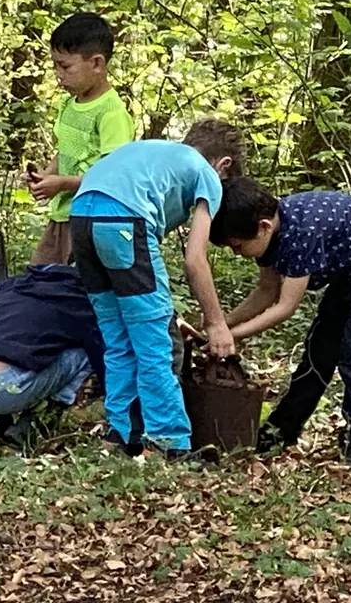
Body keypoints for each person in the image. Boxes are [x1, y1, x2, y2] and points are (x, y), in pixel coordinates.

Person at [69, 119, 246, 459]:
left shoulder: (156, 153)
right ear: (224, 165)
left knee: (118, 337)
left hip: (81, 218)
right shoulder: (207, 173)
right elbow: (195, 259)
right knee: (156, 343)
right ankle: (169, 444)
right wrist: (216, 323)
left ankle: (121, 435)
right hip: (123, 221)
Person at [209, 177, 351, 466]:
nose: (236, 252)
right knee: (318, 353)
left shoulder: (302, 234)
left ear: (263, 227)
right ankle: (280, 432)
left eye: (238, 246)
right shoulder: (269, 232)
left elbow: (285, 307)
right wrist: (222, 325)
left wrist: (233, 336)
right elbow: (267, 291)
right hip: (347, 272)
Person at [0, 264, 105, 445]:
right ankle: (33, 425)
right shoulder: (83, 300)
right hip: (7, 388)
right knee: (85, 354)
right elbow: (100, 357)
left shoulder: (20, 283)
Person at [26, 13, 136, 266]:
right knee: (39, 279)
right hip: (62, 217)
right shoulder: (68, 104)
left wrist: (62, 183)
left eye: (65, 67)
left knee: (76, 289)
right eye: (55, 65)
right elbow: (66, 151)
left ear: (97, 63)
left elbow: (112, 178)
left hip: (91, 220)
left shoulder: (112, 113)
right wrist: (45, 176)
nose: (58, 75)